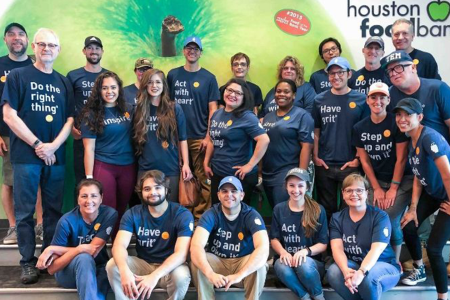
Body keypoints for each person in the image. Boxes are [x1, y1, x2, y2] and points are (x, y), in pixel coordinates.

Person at [1, 28, 74, 284]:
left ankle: (49, 257)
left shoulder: (63, 81)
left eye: (51, 45)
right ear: (34, 46)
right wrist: (37, 144)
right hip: (26, 157)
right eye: (42, 44)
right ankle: (27, 263)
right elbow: (9, 115)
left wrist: (53, 146)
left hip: (56, 157)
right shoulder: (18, 76)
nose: (46, 49)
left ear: (58, 49)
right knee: (25, 213)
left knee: (54, 210)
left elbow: (70, 120)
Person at [106, 170, 193, 300]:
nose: (152, 192)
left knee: (181, 275)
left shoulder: (181, 214)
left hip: (169, 269)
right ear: (142, 192)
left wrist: (155, 276)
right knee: (113, 265)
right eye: (147, 189)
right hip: (143, 265)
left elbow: (181, 254)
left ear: (166, 189)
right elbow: (119, 246)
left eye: (157, 187)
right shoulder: (133, 213)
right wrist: (124, 271)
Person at [394, 98, 450, 300]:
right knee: (409, 225)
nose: (402, 119)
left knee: (434, 249)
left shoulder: (429, 138)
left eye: (407, 115)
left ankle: (442, 297)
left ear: (419, 117)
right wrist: (413, 208)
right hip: (434, 194)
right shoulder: (412, 139)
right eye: (399, 115)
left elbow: (447, 175)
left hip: (448, 194)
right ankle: (419, 268)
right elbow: (418, 174)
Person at [352, 82, 411, 263]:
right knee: (371, 216)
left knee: (387, 217)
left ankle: (395, 261)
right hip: (375, 181)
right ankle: (376, 260)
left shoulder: (396, 124)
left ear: (388, 100)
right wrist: (376, 188)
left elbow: (401, 159)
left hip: (401, 181)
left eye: (382, 97)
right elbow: (365, 161)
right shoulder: (359, 128)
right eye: (373, 97)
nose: (378, 101)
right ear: (367, 100)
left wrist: (393, 188)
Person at [190, 176, 269, 300]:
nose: (229, 195)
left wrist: (239, 275)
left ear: (242, 195)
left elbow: (263, 248)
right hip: (217, 262)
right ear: (219, 195)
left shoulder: (251, 215)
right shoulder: (211, 214)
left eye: (234, 191)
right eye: (225, 191)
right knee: (198, 261)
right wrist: (210, 273)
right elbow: (196, 245)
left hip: (242, 263)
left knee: (260, 266)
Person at [36, 179, 117, 300]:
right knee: (84, 257)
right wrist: (79, 249)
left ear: (101, 198)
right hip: (68, 273)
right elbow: (52, 269)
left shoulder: (109, 214)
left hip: (98, 269)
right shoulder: (66, 221)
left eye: (94, 196)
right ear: (78, 199)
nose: (89, 201)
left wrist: (53, 249)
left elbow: (93, 250)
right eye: (84, 196)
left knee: (110, 268)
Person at [167, 35, 220, 221]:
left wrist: (209, 136)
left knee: (203, 179)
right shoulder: (173, 75)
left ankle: (200, 219)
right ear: (183, 51)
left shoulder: (209, 78)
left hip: (199, 137)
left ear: (201, 52)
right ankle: (182, 218)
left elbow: (213, 109)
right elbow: (167, 105)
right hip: (175, 138)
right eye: (189, 48)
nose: (192, 51)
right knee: (179, 178)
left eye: (196, 49)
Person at [0, 22, 44, 244]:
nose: (16, 38)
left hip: (37, 135)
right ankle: (13, 227)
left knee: (37, 180)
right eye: (11, 35)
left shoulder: (36, 64)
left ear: (29, 42)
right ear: (5, 40)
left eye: (21, 35)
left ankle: (40, 225)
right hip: (7, 136)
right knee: (9, 181)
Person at [327, 173, 401, 300]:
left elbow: (376, 250)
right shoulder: (337, 218)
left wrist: (361, 272)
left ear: (367, 193)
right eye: (349, 190)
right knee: (333, 272)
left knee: (369, 277)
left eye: (359, 190)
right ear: (343, 194)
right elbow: (337, 249)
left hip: (383, 265)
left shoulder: (380, 216)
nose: (354, 194)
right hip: (354, 265)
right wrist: (345, 271)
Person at [80, 71, 135, 238]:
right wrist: (89, 177)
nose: (109, 91)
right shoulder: (91, 115)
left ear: (119, 89)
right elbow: (88, 148)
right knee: (108, 207)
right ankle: (103, 245)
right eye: (104, 88)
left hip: (128, 165)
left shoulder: (128, 110)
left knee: (122, 206)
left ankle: (117, 242)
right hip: (104, 165)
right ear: (99, 91)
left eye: (113, 87)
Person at [312, 57, 367, 221]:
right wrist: (315, 156)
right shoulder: (319, 100)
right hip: (325, 164)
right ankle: (329, 244)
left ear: (349, 74)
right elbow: (316, 130)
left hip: (349, 165)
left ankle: (346, 244)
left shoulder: (361, 100)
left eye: (340, 72)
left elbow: (363, 133)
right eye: (332, 73)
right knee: (326, 209)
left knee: (350, 210)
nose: (336, 77)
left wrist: (358, 159)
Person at [204, 78, 270, 205]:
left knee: (238, 215)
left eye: (238, 93)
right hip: (218, 172)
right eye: (229, 90)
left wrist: (250, 165)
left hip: (239, 176)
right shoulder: (217, 114)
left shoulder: (247, 116)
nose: (232, 95)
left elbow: (264, 140)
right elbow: (213, 140)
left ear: (244, 97)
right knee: (218, 211)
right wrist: (206, 162)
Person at [133, 68, 192, 202]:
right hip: (145, 168)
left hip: (170, 169)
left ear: (164, 85)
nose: (154, 86)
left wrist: (186, 164)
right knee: (147, 210)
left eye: (158, 82)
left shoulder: (174, 108)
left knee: (169, 210)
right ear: (145, 85)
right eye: (150, 82)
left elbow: (182, 139)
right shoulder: (138, 110)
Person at [270, 168, 328, 300]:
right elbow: (274, 239)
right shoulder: (279, 209)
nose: (296, 190)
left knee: (303, 263)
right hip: (288, 263)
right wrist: (283, 252)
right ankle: (305, 297)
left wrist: (305, 252)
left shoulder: (317, 209)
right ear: (286, 186)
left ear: (307, 186)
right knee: (279, 265)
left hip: (311, 264)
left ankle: (319, 297)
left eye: (300, 185)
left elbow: (323, 244)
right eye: (291, 185)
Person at [262, 79, 314, 208]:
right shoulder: (268, 116)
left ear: (294, 95)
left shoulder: (302, 116)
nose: (281, 94)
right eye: (278, 91)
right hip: (268, 172)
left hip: (288, 172)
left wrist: (300, 176)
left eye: (286, 91)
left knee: (285, 212)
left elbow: (306, 147)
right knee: (276, 211)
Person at [381, 50, 450, 143]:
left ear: (413, 67)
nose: (393, 73)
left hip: (440, 153)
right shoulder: (389, 95)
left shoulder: (438, 88)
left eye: (398, 67)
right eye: (390, 70)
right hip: (410, 154)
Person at [67, 36, 108, 192]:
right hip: (81, 136)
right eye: (90, 48)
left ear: (102, 51)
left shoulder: (108, 76)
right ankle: (80, 215)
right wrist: (70, 128)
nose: (94, 51)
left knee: (102, 180)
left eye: (97, 48)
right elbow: (67, 104)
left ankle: (101, 216)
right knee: (82, 180)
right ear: (84, 51)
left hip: (104, 137)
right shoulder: (73, 75)